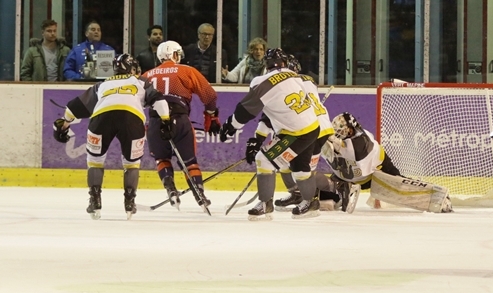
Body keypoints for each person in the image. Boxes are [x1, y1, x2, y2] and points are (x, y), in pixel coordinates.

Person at [52, 54, 172, 220]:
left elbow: (72, 108)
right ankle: (130, 202)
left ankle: (95, 200)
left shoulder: (102, 85)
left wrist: (65, 124)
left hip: (101, 118)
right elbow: (160, 101)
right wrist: (166, 120)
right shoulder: (141, 82)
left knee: (95, 160)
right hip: (132, 118)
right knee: (131, 164)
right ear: (131, 68)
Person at [219, 47, 322, 220]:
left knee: (264, 159)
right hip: (312, 127)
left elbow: (245, 111)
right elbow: (273, 110)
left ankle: (265, 203)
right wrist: (258, 139)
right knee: (299, 166)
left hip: (295, 133)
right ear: (285, 63)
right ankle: (311, 202)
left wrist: (231, 125)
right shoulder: (295, 76)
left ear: (266, 65)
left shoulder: (260, 82)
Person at [319, 112, 452, 213]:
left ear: (351, 130)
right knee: (327, 192)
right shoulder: (345, 141)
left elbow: (352, 151)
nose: (338, 134)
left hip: (379, 168)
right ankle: (342, 192)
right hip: (358, 175)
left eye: (340, 131)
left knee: (399, 186)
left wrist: (333, 142)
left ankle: (439, 198)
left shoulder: (362, 140)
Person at [142, 41, 221, 210]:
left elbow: (136, 101)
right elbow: (209, 95)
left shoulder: (146, 75)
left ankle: (170, 189)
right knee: (189, 162)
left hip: (156, 121)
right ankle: (199, 193)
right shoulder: (187, 70)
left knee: (162, 159)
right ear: (175, 55)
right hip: (180, 119)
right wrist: (211, 116)